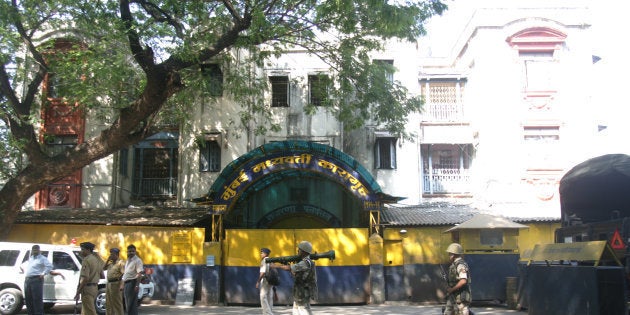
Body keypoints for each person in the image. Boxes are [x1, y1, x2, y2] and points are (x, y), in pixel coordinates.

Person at [273, 241, 317, 315]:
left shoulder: (305, 262)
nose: (298, 251)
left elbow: (289, 268)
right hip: (299, 291)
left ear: (304, 251)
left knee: (304, 310)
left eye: (299, 249)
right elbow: (295, 274)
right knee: (296, 310)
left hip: (303, 292)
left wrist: (276, 266)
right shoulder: (303, 262)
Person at [22, 244, 64, 315]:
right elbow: (24, 266)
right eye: (33, 249)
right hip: (28, 280)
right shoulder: (31, 258)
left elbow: (49, 266)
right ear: (32, 251)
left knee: (37, 299)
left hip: (36, 279)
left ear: (39, 250)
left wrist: (44, 273)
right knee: (28, 299)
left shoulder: (42, 258)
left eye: (36, 249)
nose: (35, 251)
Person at [74, 242, 105, 315]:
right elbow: (102, 276)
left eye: (83, 249)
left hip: (87, 288)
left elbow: (85, 278)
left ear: (88, 250)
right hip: (94, 288)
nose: (81, 251)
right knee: (85, 311)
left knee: (90, 311)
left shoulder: (86, 260)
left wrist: (78, 291)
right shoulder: (97, 260)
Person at [444, 243, 472, 315]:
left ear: (453, 254)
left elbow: (463, 280)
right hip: (454, 297)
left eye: (450, 254)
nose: (449, 255)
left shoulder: (460, 265)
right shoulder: (454, 265)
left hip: (461, 297)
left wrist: (451, 289)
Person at [120, 244, 144, 315]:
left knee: (131, 305)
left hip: (132, 283)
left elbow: (139, 274)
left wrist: (137, 285)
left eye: (132, 251)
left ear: (135, 251)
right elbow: (125, 274)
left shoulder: (137, 260)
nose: (131, 253)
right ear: (127, 252)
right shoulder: (128, 260)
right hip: (127, 284)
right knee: (128, 304)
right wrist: (122, 284)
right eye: (129, 251)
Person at [103, 248, 125, 315]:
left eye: (112, 254)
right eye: (110, 254)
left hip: (116, 284)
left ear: (117, 254)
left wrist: (122, 285)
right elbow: (103, 268)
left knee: (117, 303)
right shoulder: (111, 263)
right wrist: (107, 260)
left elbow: (124, 275)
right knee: (109, 303)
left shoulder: (121, 263)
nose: (111, 255)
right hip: (109, 284)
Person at [256, 248, 275, 315]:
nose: (261, 254)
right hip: (271, 280)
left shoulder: (264, 260)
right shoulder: (271, 260)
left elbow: (262, 272)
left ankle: (268, 313)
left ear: (266, 254)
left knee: (263, 296)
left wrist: (258, 281)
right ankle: (270, 311)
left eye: (262, 253)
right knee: (269, 296)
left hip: (266, 280)